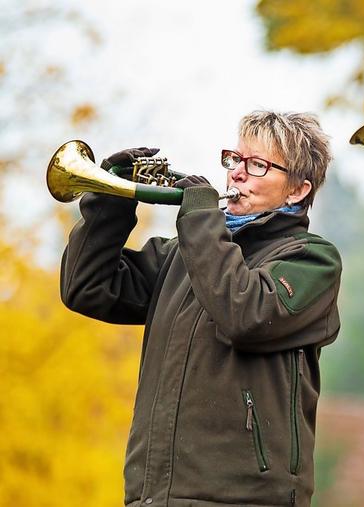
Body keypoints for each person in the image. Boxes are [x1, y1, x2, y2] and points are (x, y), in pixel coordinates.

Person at [60, 111, 341, 506]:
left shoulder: (311, 261)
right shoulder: (187, 254)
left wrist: (201, 218)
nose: (237, 174)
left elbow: (244, 314)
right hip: (153, 496)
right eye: (235, 160)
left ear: (296, 190)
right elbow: (86, 287)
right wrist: (111, 198)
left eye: (257, 165)